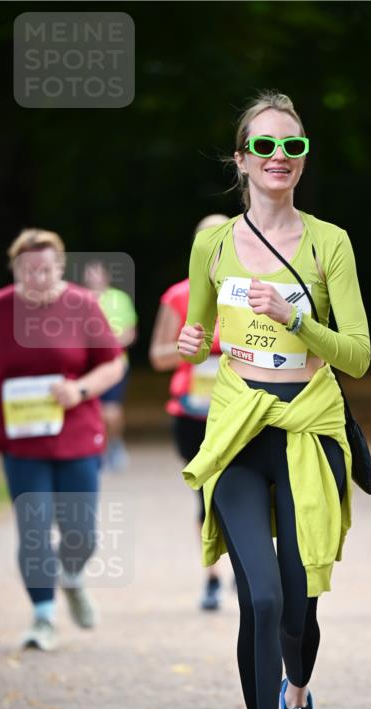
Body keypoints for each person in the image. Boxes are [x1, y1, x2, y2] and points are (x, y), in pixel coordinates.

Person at [177, 91, 370, 709]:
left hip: (308, 425)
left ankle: (296, 698)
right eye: (264, 146)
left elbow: (357, 356)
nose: (279, 158)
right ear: (242, 160)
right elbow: (196, 333)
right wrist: (191, 341)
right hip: (237, 426)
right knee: (256, 597)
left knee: (296, 604)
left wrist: (297, 316)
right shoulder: (213, 241)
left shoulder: (330, 243)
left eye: (292, 146)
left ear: (303, 157)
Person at [0, 229, 125, 650]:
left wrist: (78, 390)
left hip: (77, 432)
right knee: (33, 528)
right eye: (27, 270)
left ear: (60, 267)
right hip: (22, 440)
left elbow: (113, 365)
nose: (37, 278)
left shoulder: (82, 305)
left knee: (81, 533)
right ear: (15, 269)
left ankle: (72, 576)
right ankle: (42, 617)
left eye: (45, 270)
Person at [149, 214, 229, 610]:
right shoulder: (178, 295)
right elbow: (157, 357)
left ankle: (243, 566)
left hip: (241, 411)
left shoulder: (251, 293)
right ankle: (213, 576)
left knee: (242, 489)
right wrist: (186, 349)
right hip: (191, 413)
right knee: (206, 497)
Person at [83, 261, 137, 471]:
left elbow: (130, 333)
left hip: (115, 363)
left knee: (111, 411)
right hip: (88, 367)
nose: (95, 279)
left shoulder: (119, 299)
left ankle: (115, 444)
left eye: (98, 274)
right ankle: (97, 450)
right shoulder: (80, 299)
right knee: (92, 412)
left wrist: (106, 347)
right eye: (91, 274)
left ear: (106, 277)